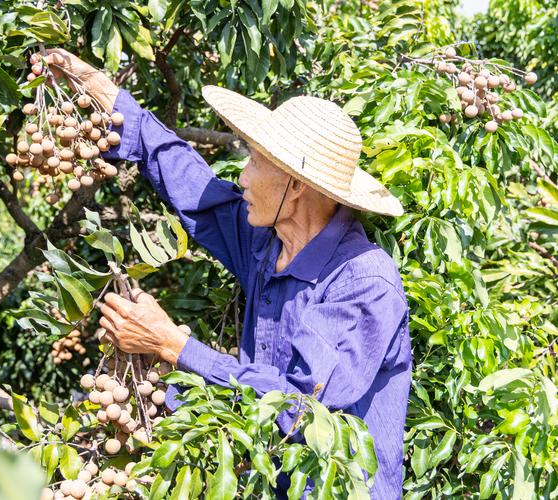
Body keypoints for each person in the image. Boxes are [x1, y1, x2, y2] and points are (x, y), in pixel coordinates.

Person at [48, 49, 412, 499]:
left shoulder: (363, 284)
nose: (241, 176)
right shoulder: (268, 242)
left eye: (255, 161)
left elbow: (296, 413)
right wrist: (108, 97)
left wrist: (173, 346)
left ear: (296, 186)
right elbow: (194, 187)